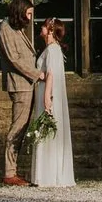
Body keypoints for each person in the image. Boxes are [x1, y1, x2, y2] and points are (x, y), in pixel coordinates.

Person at [0, 0, 44, 185]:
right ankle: (9, 174)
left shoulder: (16, 29)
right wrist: (37, 74)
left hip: (27, 84)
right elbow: (14, 59)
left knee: (22, 127)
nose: (30, 18)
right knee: (17, 127)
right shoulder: (5, 29)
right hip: (20, 85)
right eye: (29, 13)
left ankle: (13, 171)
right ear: (20, 10)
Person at [29, 18, 75, 188]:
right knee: (44, 130)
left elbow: (51, 74)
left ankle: (48, 175)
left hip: (46, 93)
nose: (40, 27)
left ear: (50, 30)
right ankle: (44, 174)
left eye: (44, 25)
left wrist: (47, 96)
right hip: (43, 90)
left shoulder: (53, 50)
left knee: (47, 128)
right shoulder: (50, 49)